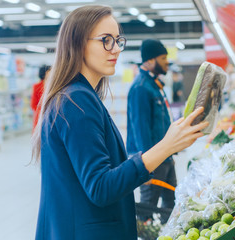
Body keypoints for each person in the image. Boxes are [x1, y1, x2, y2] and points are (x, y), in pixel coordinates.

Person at [31, 5, 208, 240]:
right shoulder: (76, 100)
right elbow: (100, 187)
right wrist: (167, 146)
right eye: (106, 40)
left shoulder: (77, 96)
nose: (116, 49)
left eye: (117, 40)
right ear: (77, 44)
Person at [127, 39, 177, 223]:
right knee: (147, 207)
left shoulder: (154, 84)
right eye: (163, 57)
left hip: (165, 156)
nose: (166, 62)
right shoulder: (140, 88)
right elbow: (140, 129)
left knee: (171, 203)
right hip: (152, 159)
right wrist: (145, 166)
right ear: (149, 60)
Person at [30, 65, 50, 129]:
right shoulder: (37, 86)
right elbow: (33, 104)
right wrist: (43, 111)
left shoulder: (53, 85)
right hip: (40, 116)